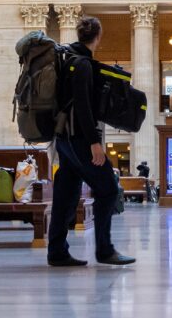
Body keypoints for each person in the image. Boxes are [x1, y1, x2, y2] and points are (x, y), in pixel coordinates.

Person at [47, 15, 135, 267]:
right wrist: (94, 142)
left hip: (63, 138)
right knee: (108, 188)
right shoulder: (83, 64)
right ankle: (105, 250)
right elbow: (83, 107)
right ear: (98, 36)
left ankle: (57, 252)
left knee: (66, 193)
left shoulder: (66, 61)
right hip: (79, 139)